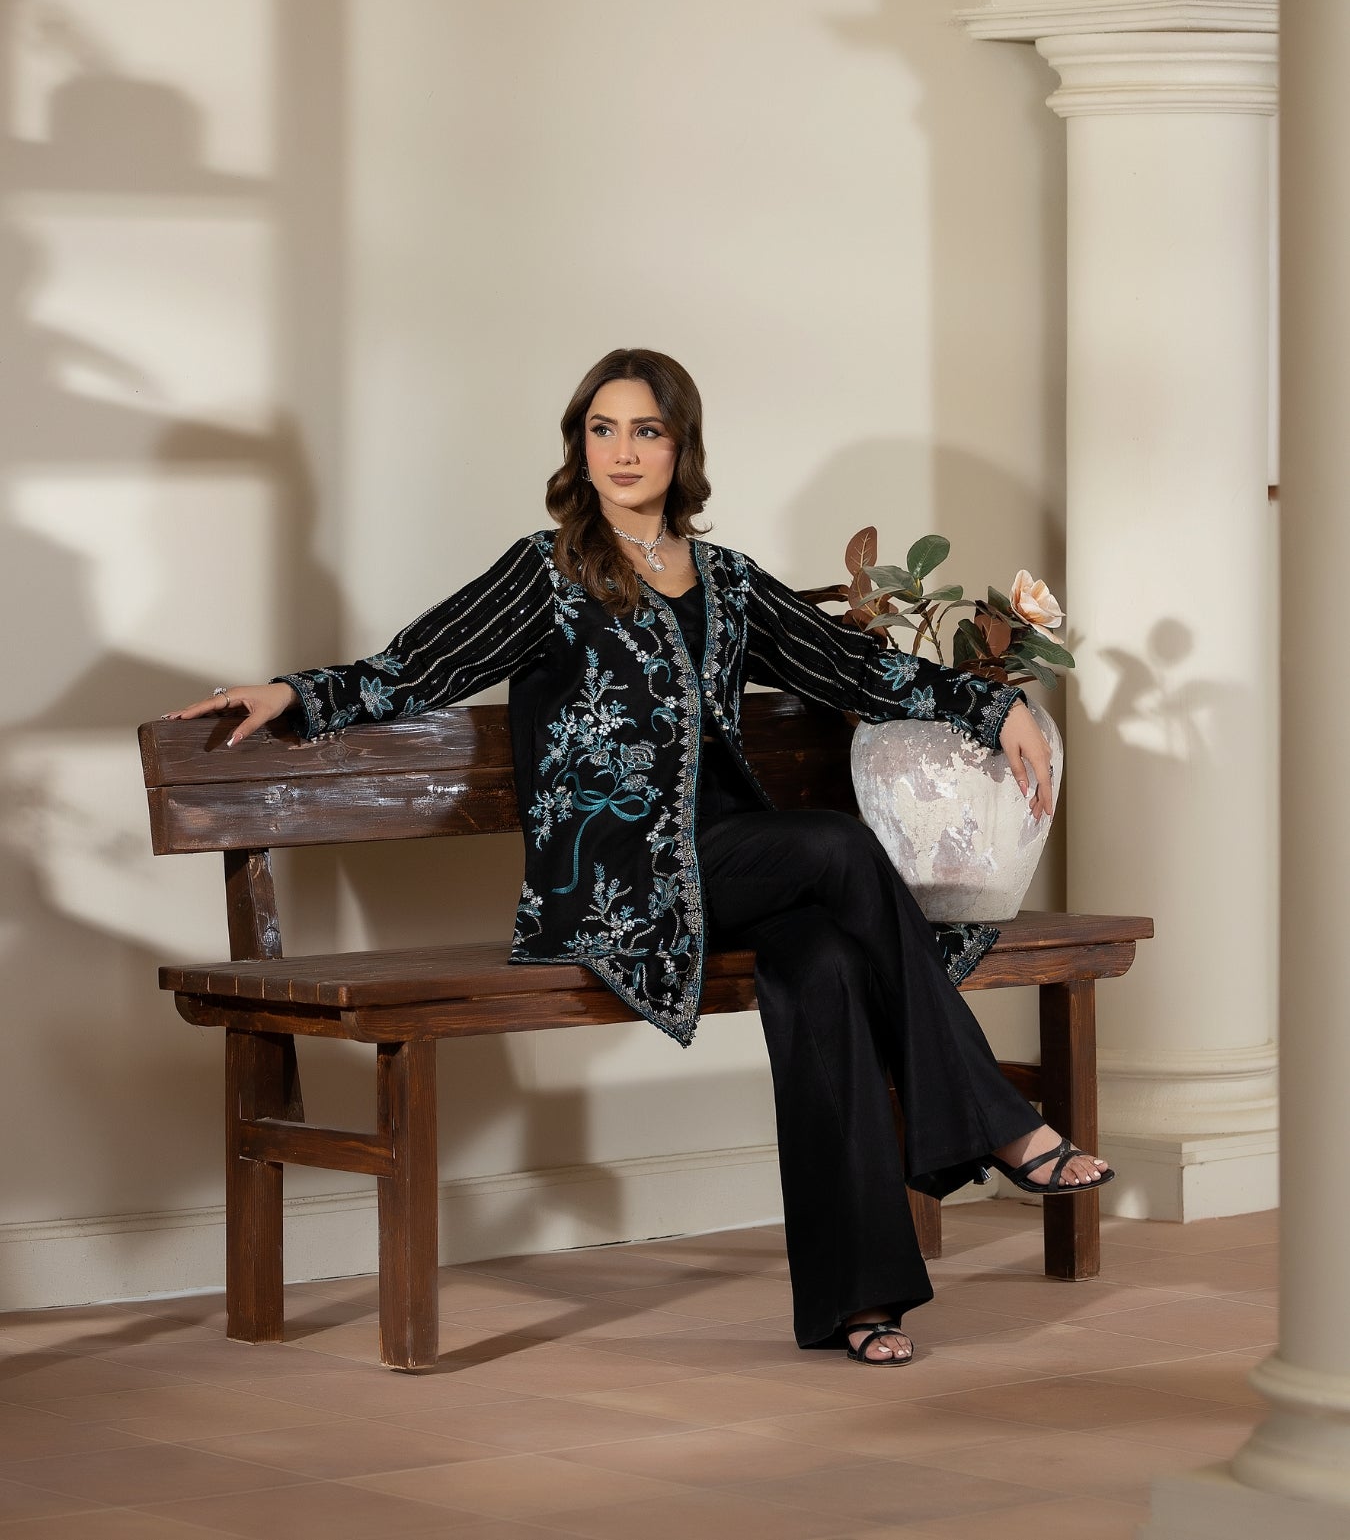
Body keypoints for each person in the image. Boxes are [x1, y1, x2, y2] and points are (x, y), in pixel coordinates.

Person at [168, 347, 1110, 1367]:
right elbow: (418, 665)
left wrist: (993, 702)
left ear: (681, 446)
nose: (622, 451)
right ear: (579, 445)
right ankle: (998, 1122)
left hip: (735, 865)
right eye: (602, 429)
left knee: (829, 964)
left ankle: (859, 1299)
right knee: (840, 847)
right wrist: (294, 695)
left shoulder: (730, 582)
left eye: (646, 430)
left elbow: (853, 667)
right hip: (614, 881)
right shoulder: (545, 574)